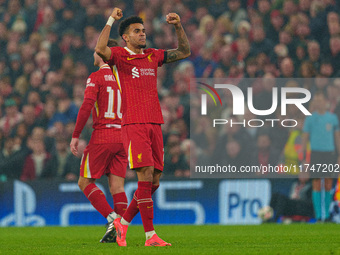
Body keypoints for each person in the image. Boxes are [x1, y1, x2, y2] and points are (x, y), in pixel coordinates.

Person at [95, 7, 190, 246]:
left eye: (143, 31)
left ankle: (123, 223)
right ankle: (150, 236)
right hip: (134, 123)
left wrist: (178, 26)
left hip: (155, 123)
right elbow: (100, 49)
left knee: (154, 181)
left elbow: (184, 51)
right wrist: (110, 20)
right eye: (137, 31)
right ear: (126, 37)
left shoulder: (153, 55)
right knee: (144, 176)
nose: (142, 34)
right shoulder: (118, 55)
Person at [69, 39, 128, 243]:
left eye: (96, 51)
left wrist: (76, 135)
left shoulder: (96, 77)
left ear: (102, 53)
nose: (93, 54)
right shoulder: (124, 79)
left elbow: (86, 106)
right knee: (117, 187)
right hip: (123, 137)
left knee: (84, 181)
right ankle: (120, 233)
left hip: (103, 135)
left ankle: (113, 220)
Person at [301, 92, 340, 222]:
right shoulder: (310, 119)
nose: (318, 103)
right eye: (316, 100)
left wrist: (339, 155)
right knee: (317, 183)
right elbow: (304, 139)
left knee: (328, 183)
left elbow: (337, 138)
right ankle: (318, 215)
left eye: (320, 100)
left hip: (329, 154)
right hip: (316, 154)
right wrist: (303, 159)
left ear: (325, 102)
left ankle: (327, 215)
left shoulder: (332, 118)